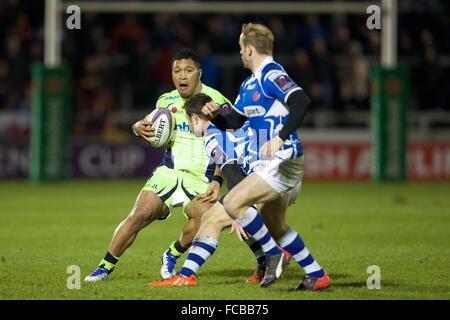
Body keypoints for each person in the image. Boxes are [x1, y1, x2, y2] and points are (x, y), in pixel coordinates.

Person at [200, 23, 331, 291]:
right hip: (274, 162)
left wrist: (280, 136)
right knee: (275, 225)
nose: (239, 54)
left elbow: (301, 101)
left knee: (234, 202)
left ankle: (272, 255)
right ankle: (317, 274)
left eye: (240, 49)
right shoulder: (249, 84)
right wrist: (215, 114)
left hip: (284, 158)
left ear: (249, 50)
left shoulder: (272, 73)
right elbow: (235, 120)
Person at [84, 49, 231, 282]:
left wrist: (217, 180)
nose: (182, 76)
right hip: (169, 172)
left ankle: (172, 253)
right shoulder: (165, 101)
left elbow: (228, 146)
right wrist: (137, 128)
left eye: (188, 70)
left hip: (201, 178)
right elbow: (154, 134)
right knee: (138, 215)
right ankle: (104, 267)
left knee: (206, 219)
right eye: (177, 71)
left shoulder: (218, 102)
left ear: (199, 74)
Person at [149, 92, 296, 288]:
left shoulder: (211, 138)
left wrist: (241, 205)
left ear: (194, 117)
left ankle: (185, 276)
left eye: (188, 120)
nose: (191, 127)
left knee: (215, 218)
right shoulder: (230, 119)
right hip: (286, 174)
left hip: (267, 181)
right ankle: (270, 264)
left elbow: (233, 173)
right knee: (234, 217)